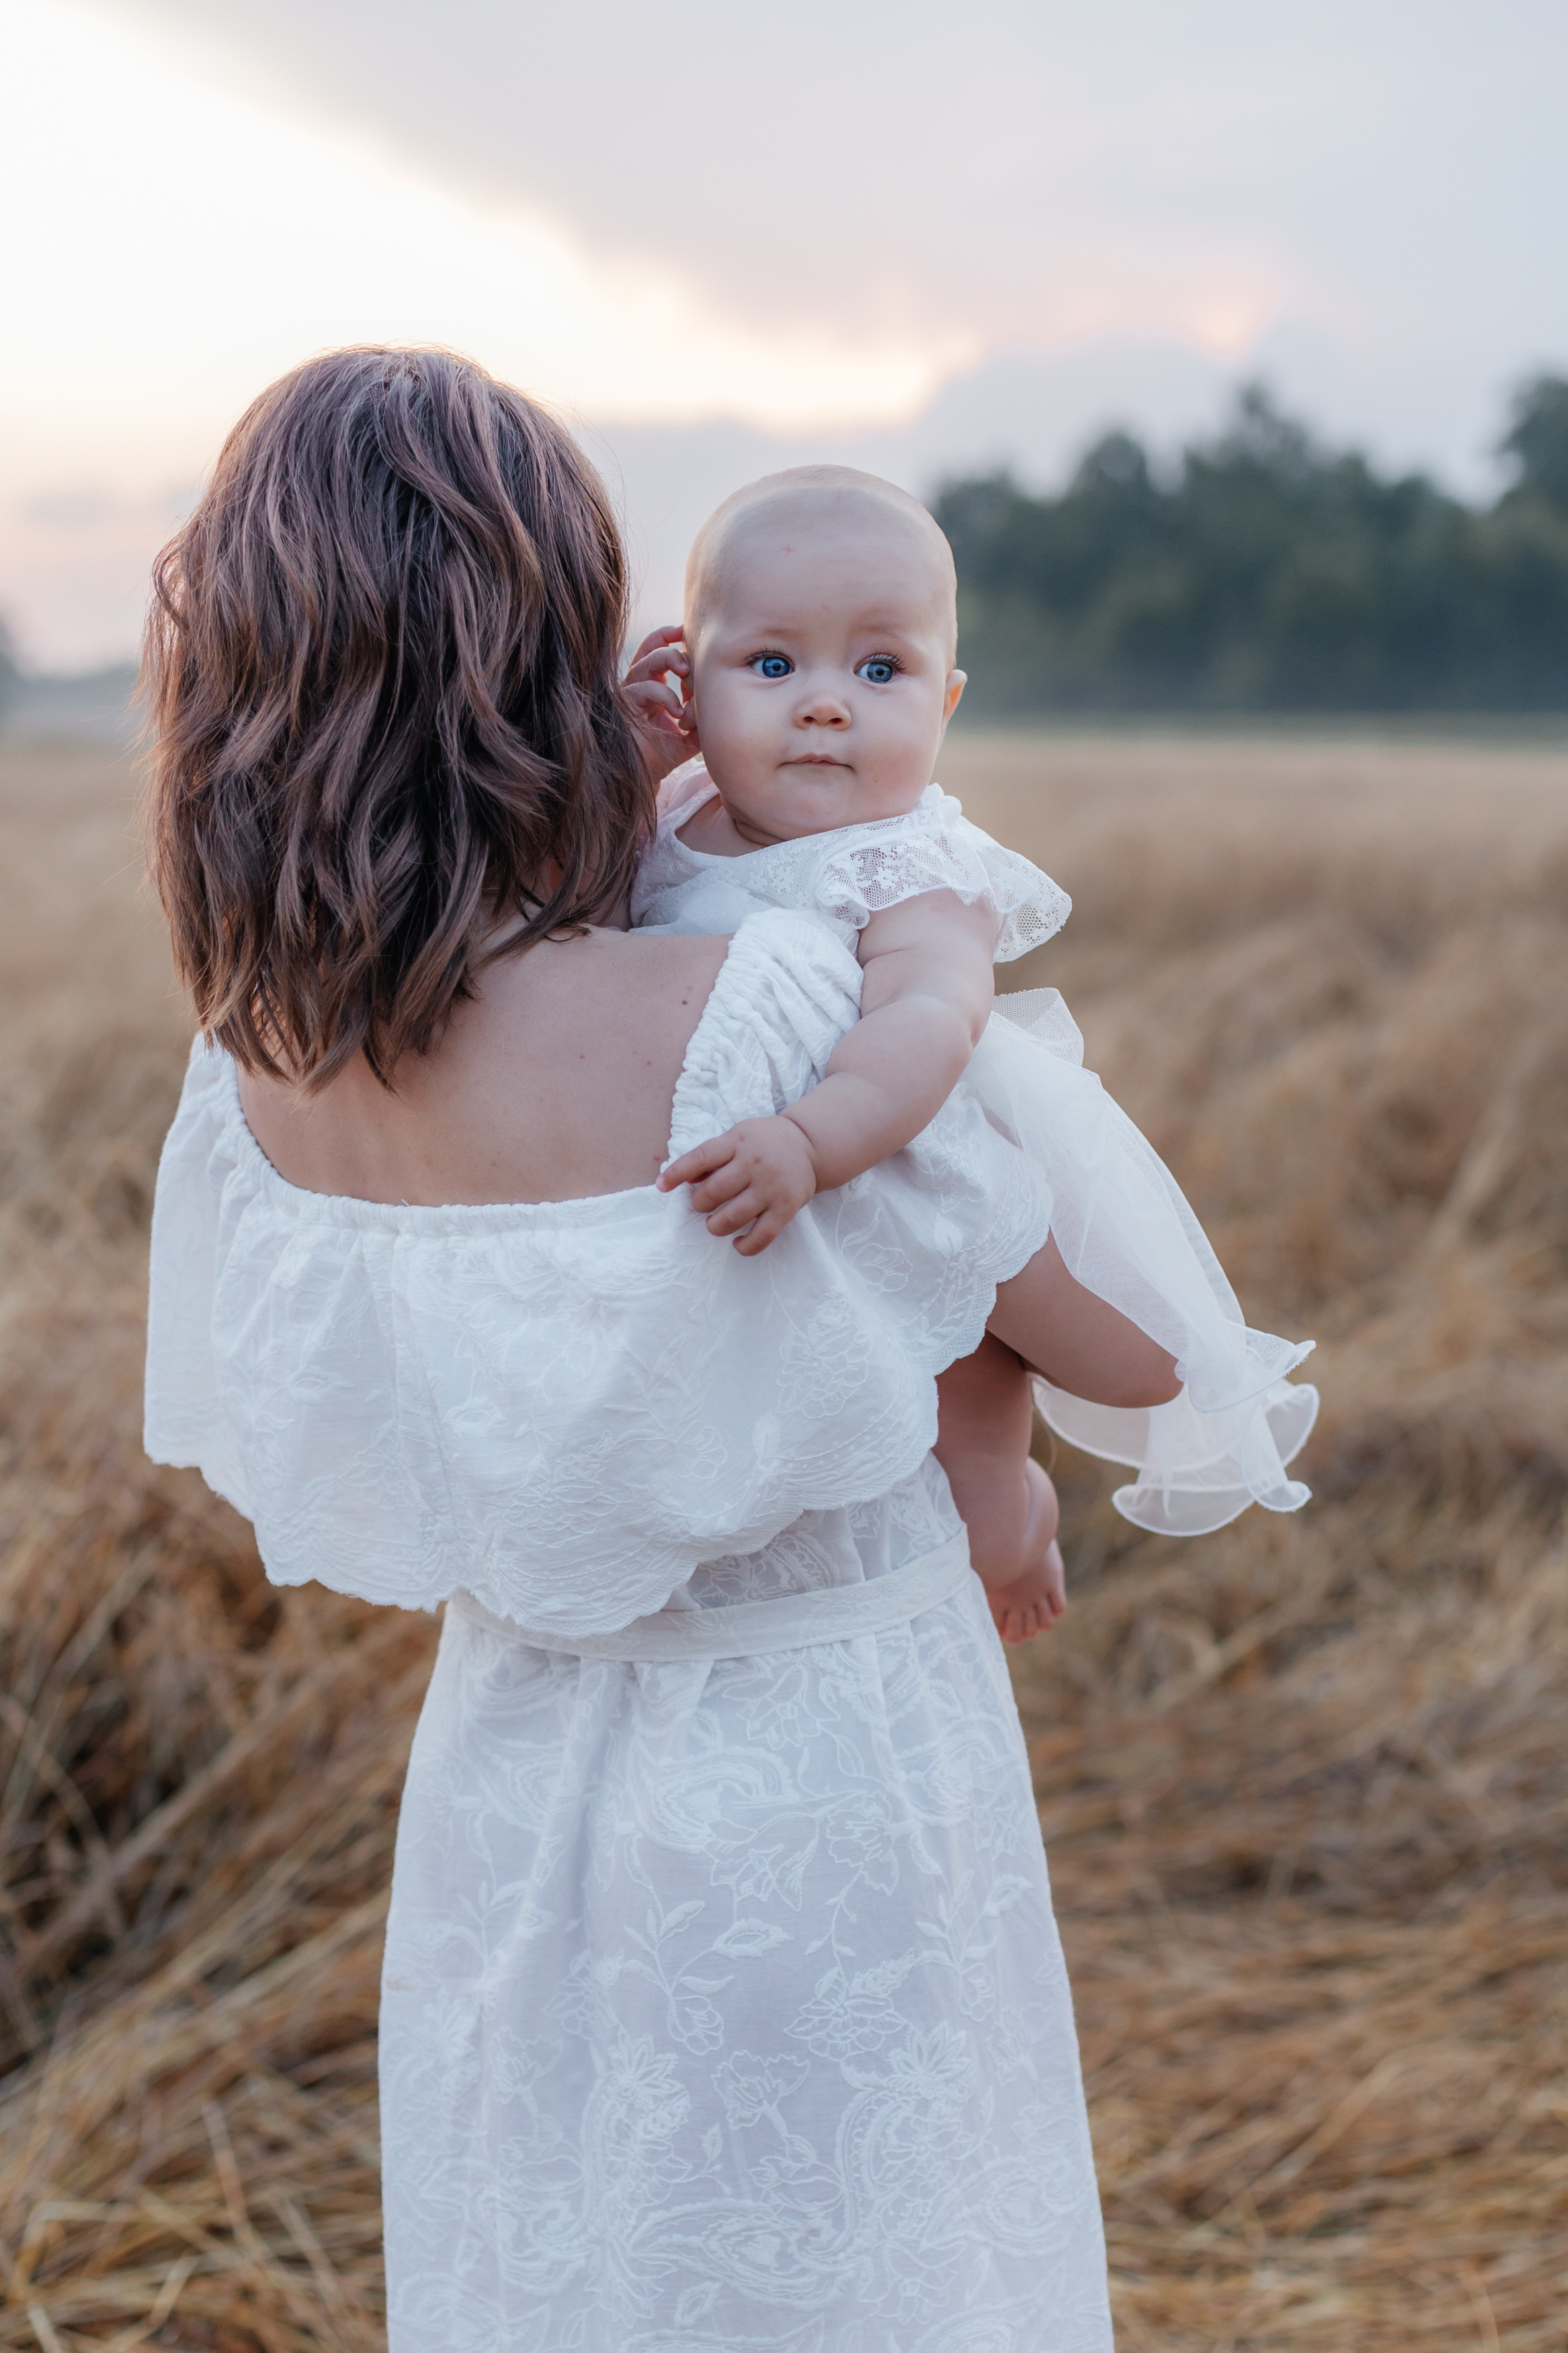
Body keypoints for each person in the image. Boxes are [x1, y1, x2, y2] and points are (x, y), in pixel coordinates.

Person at [140, 346, 1190, 2352]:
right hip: (820, 1775)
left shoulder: (258, 1067)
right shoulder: (770, 1002)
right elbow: (1132, 1352)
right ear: (552, 643)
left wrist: (613, 824)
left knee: (570, 2265)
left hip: (515, 1791)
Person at [626, 466, 1318, 1635]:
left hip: (907, 1141)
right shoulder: (663, 811)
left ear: (943, 706)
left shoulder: (908, 867)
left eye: (879, 670)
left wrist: (810, 1139)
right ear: (686, 688)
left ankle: (1021, 1505)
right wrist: (623, 763)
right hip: (764, 1183)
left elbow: (926, 1022)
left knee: (1028, 1374)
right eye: (773, 664)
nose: (826, 703)